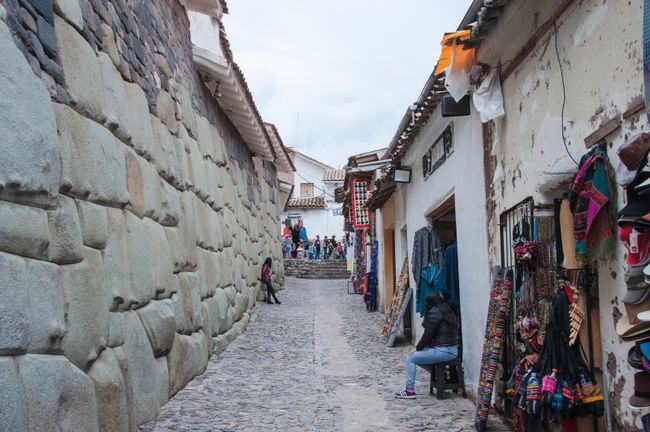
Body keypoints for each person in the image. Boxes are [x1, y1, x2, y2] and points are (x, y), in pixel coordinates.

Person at [395, 292, 458, 399]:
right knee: (418, 357)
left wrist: (417, 348)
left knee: (411, 358)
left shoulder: (435, 312)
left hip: (444, 350)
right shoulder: (445, 310)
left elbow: (427, 335)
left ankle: (409, 390)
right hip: (450, 349)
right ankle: (439, 375)